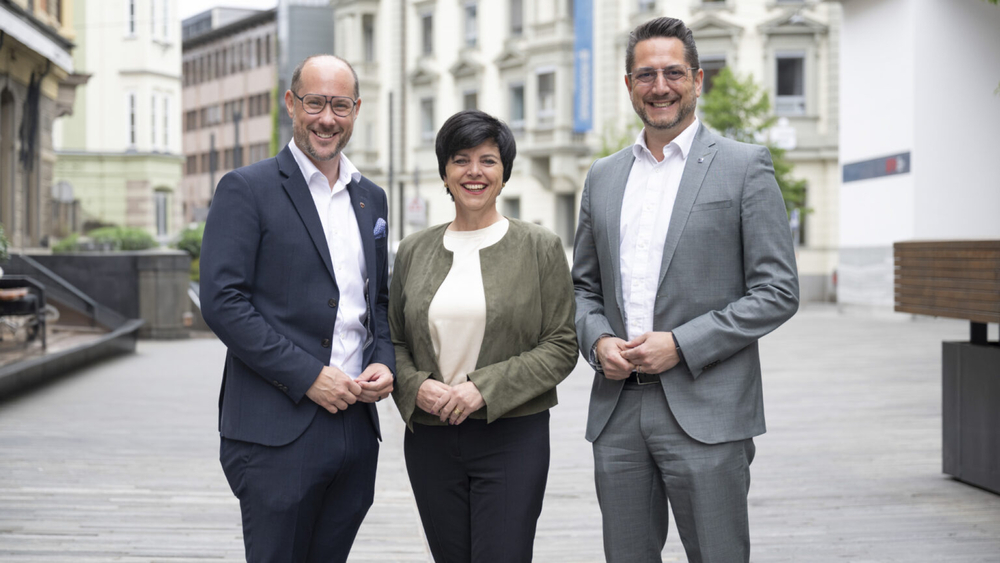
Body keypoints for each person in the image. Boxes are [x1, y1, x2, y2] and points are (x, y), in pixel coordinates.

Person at [572, 17, 799, 563]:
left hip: (709, 410)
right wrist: (598, 341)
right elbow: (583, 288)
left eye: (673, 73)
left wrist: (681, 344)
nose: (660, 86)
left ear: (697, 80)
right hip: (618, 411)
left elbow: (778, 290)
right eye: (645, 75)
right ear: (628, 85)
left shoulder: (745, 167)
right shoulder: (602, 176)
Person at [200, 54, 394, 563]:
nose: (327, 118)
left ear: (356, 109)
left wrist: (384, 362)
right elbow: (223, 302)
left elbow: (378, 303)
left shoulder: (370, 198)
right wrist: (309, 375)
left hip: (355, 425)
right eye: (314, 103)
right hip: (276, 432)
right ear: (291, 104)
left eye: (340, 105)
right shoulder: (246, 188)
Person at [389, 110, 578, 563]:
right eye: (461, 159)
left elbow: (561, 344)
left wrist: (482, 390)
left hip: (512, 436)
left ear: (504, 172)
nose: (474, 172)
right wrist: (417, 388)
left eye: (488, 161)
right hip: (430, 437)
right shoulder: (413, 250)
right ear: (445, 172)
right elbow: (392, 340)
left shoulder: (540, 246)